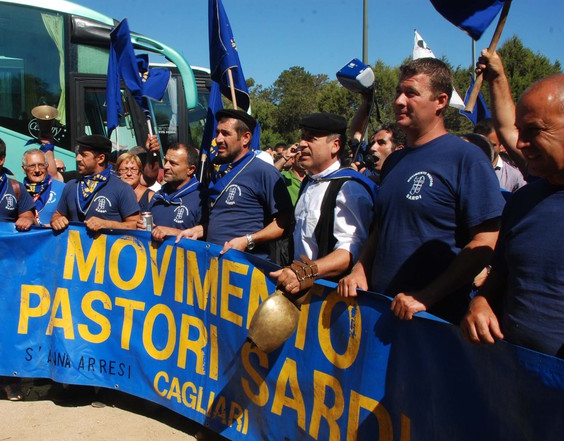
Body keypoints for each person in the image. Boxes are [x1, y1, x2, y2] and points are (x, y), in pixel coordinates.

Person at [337, 58, 504, 325]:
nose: (400, 101)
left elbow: (485, 242)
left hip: (432, 323)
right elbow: (382, 228)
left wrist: (427, 296)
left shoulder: (465, 158)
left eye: (411, 93)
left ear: (440, 101)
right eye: (398, 92)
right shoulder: (394, 161)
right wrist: (360, 269)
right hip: (380, 313)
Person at [461, 74, 564, 357]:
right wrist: (481, 302)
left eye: (534, 130)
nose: (520, 144)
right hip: (511, 376)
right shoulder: (522, 201)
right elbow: (503, 271)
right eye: (520, 131)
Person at [271, 113, 375, 294]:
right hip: (301, 289)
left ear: (335, 145)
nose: (302, 144)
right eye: (303, 138)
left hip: (330, 297)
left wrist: (304, 273)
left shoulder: (348, 187)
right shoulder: (309, 182)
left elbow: (349, 251)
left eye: (311, 139)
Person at [178, 110, 293, 260]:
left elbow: (284, 222)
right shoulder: (220, 172)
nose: (218, 139)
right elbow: (222, 221)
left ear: (245, 138)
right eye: (217, 132)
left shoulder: (263, 171)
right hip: (216, 265)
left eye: (225, 133)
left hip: (247, 269)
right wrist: (198, 231)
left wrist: (248, 240)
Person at [50, 135, 140, 233]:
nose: (78, 158)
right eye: (78, 153)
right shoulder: (71, 185)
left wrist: (107, 224)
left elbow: (134, 225)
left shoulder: (121, 188)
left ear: (100, 158)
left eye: (84, 155)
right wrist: (56, 220)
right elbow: (58, 214)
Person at [139, 143, 204, 241]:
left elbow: (210, 237)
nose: (165, 166)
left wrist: (173, 233)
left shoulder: (202, 198)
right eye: (165, 161)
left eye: (173, 163)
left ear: (190, 170)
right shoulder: (158, 196)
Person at [474, 119, 527, 192]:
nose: (486, 148)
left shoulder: (514, 176)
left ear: (501, 144)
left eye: (492, 145)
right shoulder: (461, 170)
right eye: (481, 144)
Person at [22, 149, 65, 225]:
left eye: (41, 165)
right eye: (32, 166)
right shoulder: (18, 191)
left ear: (47, 166)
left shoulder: (63, 189)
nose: (37, 170)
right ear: (24, 169)